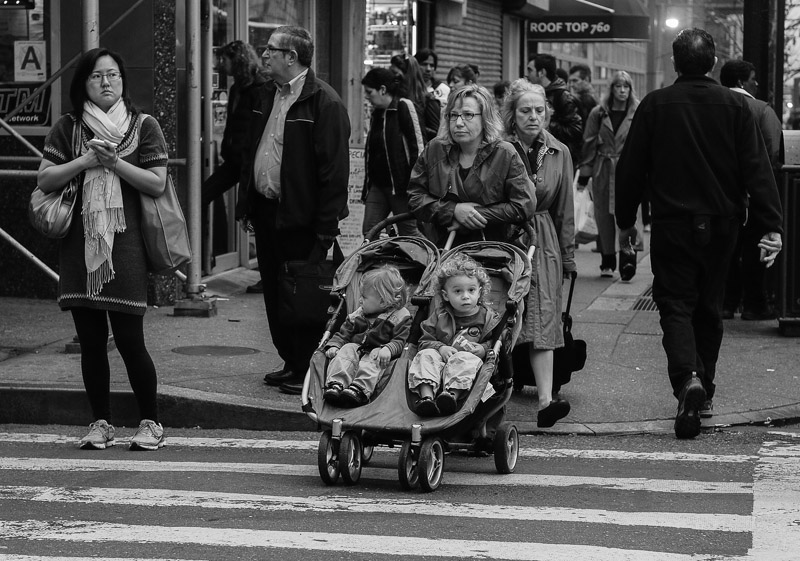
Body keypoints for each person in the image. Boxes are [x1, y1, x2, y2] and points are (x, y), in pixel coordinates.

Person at [615, 28, 783, 439]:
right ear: (713, 63)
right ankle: (703, 387)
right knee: (710, 305)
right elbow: (757, 169)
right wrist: (771, 226)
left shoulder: (655, 105)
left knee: (674, 303)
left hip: (672, 222)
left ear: (675, 62)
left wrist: (625, 222)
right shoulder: (736, 106)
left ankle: (687, 377)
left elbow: (631, 169)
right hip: (724, 223)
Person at [37, 48, 169, 451]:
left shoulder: (144, 125)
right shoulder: (68, 127)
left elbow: (157, 183)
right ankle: (101, 423)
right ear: (84, 84)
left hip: (126, 249)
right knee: (91, 342)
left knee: (130, 340)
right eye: (97, 76)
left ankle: (151, 423)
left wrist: (113, 163)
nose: (106, 82)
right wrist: (85, 161)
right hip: (80, 250)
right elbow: (45, 179)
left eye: (113, 74)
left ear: (123, 80)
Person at [236, 26, 350, 395]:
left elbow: (335, 173)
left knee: (303, 296)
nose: (264, 54)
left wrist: (326, 227)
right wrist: (247, 202)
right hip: (267, 212)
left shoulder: (325, 103)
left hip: (302, 220)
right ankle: (291, 361)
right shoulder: (266, 94)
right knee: (275, 291)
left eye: (271, 49)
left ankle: (307, 368)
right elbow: (252, 152)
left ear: (292, 57)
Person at [502, 79, 575, 428]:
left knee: (544, 315)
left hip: (544, 239)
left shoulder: (559, 151)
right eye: (525, 110)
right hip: (506, 235)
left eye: (539, 110)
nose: (533, 116)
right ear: (512, 115)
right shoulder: (499, 148)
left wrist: (569, 256)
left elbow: (566, 209)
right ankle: (490, 397)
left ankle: (546, 400)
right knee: (500, 316)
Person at [406, 84, 535, 249]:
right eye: (454, 115)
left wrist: (475, 215)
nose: (459, 123)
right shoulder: (435, 149)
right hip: (442, 249)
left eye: (468, 115)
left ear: (485, 118)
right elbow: (415, 198)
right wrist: (453, 210)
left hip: (493, 251)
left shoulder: (504, 153)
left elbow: (523, 206)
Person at [719, 59, 784, 321]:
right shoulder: (762, 110)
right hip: (753, 194)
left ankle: (726, 303)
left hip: (719, 193)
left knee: (726, 251)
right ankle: (754, 305)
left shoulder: (713, 107)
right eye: (753, 79)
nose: (756, 83)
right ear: (741, 81)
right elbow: (773, 151)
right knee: (755, 249)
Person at [200, 41, 267, 291]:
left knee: (258, 215)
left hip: (250, 161)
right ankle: (197, 258)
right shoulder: (238, 86)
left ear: (236, 60)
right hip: (235, 159)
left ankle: (267, 274)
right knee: (202, 196)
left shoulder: (260, 87)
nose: (221, 64)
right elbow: (233, 124)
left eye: (224, 59)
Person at [408, 253, 499, 416]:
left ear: (479, 292)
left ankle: (450, 397)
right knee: (425, 355)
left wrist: (484, 349)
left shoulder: (488, 317)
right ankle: (426, 398)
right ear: (445, 295)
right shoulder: (439, 315)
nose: (465, 296)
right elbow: (424, 340)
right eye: (458, 291)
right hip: (440, 361)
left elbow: (496, 341)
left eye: (471, 290)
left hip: (467, 364)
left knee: (465, 358)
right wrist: (440, 347)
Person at [577, 70, 641, 279]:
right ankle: (607, 259)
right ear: (611, 89)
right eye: (618, 86)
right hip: (603, 168)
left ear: (630, 89)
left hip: (628, 169)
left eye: (626, 86)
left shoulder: (637, 111)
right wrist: (585, 173)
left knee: (628, 215)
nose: (622, 90)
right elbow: (588, 142)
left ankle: (627, 260)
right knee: (603, 215)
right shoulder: (599, 113)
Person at [323, 266, 411, 408]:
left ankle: (360, 389)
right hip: (358, 349)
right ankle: (336, 383)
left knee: (375, 357)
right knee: (347, 348)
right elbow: (343, 334)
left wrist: (388, 348)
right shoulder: (358, 315)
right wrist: (335, 345)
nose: (359, 301)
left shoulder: (400, 317)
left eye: (364, 297)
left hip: (379, 352)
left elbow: (401, 340)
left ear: (383, 302)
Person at [360, 67, 424, 238]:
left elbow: (419, 147)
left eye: (369, 92)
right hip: (378, 185)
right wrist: (367, 186)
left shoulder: (404, 106)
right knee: (370, 231)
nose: (366, 97)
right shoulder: (376, 114)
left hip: (402, 187)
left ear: (383, 89)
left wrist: (415, 185)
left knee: (408, 231)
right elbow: (371, 152)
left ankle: (433, 254)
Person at [527, 53, 583, 165]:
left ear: (541, 72)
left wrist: (547, 123)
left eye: (530, 70)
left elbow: (575, 130)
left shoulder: (563, 97)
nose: (527, 75)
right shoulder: (532, 94)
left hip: (558, 159)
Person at [414, 48, 450, 141]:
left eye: (432, 65)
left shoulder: (443, 90)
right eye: (424, 64)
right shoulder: (410, 90)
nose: (428, 69)